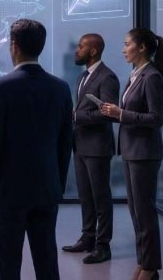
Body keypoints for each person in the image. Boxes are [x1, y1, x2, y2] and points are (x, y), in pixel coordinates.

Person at [0, 19, 73, 280]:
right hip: (47, 188)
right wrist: (57, 186)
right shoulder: (60, 88)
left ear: (14, 46)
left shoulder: (2, 87)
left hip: (10, 192)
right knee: (47, 260)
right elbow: (65, 143)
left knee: (8, 264)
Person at [100, 28, 163, 280]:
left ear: (142, 48)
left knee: (145, 212)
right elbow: (134, 115)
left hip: (145, 153)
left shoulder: (151, 77)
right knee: (136, 212)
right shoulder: (136, 75)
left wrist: (121, 114)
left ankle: (150, 268)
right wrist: (115, 113)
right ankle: (143, 262)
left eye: (127, 44)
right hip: (132, 151)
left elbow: (156, 118)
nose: (123, 49)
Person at [62, 33, 120, 264]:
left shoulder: (107, 77)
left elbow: (108, 113)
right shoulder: (82, 77)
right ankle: (87, 239)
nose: (77, 51)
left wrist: (77, 116)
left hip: (97, 147)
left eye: (81, 47)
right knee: (85, 197)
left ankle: (103, 246)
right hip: (81, 145)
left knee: (101, 198)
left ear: (93, 50)